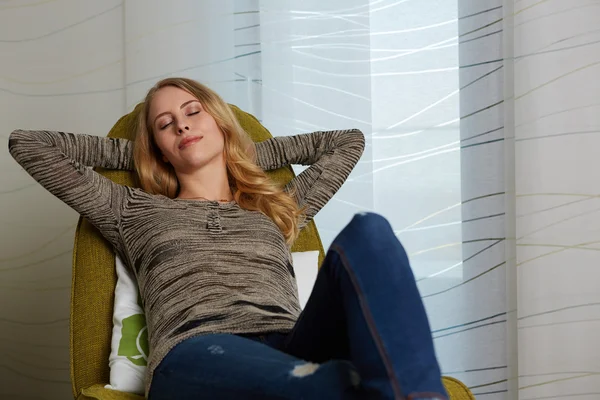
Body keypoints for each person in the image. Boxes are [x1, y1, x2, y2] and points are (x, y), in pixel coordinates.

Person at [9, 77, 448, 400]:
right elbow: (28, 144)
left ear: (218, 119)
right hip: (196, 348)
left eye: (193, 112)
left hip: (289, 338)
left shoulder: (276, 206)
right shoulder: (130, 210)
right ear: (156, 145)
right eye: (165, 124)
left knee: (370, 232)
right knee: (337, 384)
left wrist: (233, 146)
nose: (182, 126)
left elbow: (346, 142)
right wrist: (142, 154)